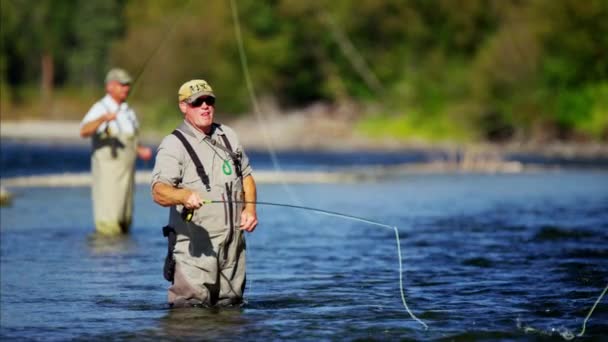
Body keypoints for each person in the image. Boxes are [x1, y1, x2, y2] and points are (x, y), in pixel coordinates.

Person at [151, 79, 258, 307]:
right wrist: (183, 196)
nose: (205, 106)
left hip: (233, 249)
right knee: (190, 318)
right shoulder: (173, 144)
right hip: (194, 254)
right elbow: (159, 192)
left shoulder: (228, 136)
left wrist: (250, 209)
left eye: (209, 100)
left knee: (232, 316)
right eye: (197, 102)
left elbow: (246, 177)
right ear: (183, 106)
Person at [80, 68, 152, 236]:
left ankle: (124, 253)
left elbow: (131, 138)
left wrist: (140, 150)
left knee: (124, 218)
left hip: (127, 173)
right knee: (109, 221)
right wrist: (103, 119)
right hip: (108, 174)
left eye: (127, 85)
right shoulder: (100, 107)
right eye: (122, 85)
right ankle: (107, 255)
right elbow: (83, 131)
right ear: (110, 87)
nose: (126, 88)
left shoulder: (128, 111)